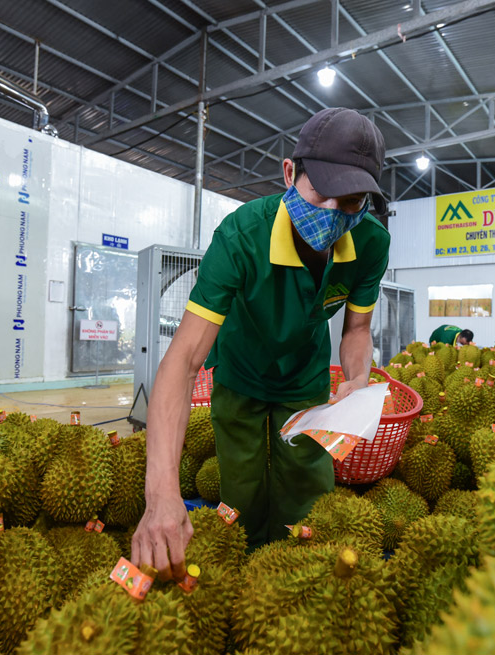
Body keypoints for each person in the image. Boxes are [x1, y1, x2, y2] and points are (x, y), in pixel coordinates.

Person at [131, 108, 390, 580]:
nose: (334, 212)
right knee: (242, 497)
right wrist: (161, 492)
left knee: (307, 502)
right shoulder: (241, 236)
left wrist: (357, 378)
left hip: (305, 380)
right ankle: (245, 577)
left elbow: (356, 329)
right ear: (290, 173)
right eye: (322, 192)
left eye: (351, 200)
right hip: (241, 373)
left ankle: (299, 583)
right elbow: (183, 361)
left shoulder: (371, 243)